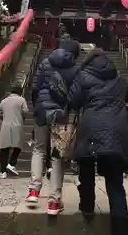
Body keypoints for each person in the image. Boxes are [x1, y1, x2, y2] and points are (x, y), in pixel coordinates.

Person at [67, 48, 128, 235]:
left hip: (90, 127)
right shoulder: (118, 79)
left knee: (86, 170)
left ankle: (87, 207)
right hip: (116, 129)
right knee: (115, 180)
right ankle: (121, 229)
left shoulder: (82, 76)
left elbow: (73, 101)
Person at [26, 39, 80, 215]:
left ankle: (34, 191)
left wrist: (38, 105)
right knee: (57, 156)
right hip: (61, 115)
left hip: (42, 111)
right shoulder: (75, 69)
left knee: (39, 149)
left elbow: (34, 87)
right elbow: (75, 95)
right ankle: (54, 203)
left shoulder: (45, 62)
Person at [0, 84, 28, 178]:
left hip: (6, 125)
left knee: (4, 148)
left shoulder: (4, 101)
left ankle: (3, 171)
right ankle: (12, 164)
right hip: (17, 125)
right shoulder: (22, 100)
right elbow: (25, 112)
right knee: (18, 146)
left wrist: (2, 117)